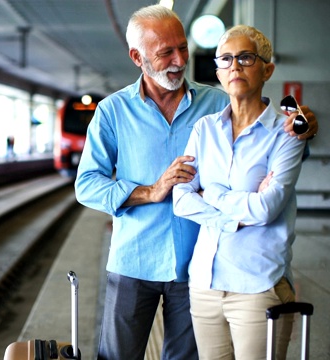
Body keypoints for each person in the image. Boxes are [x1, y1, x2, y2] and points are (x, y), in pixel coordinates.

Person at [74, 4, 318, 360]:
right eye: (165, 52)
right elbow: (87, 184)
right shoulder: (113, 111)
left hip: (197, 267)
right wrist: (150, 191)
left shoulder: (218, 102)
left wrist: (304, 133)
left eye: (183, 48)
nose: (179, 60)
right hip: (133, 262)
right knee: (117, 356)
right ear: (136, 57)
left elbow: (277, 156)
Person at [172, 25, 304, 360]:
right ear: (217, 71)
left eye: (246, 58)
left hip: (258, 285)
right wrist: (236, 215)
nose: (235, 66)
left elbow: (266, 210)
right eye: (226, 59)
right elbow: (181, 199)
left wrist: (211, 192)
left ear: (267, 69)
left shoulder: (286, 135)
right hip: (204, 284)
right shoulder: (204, 130)